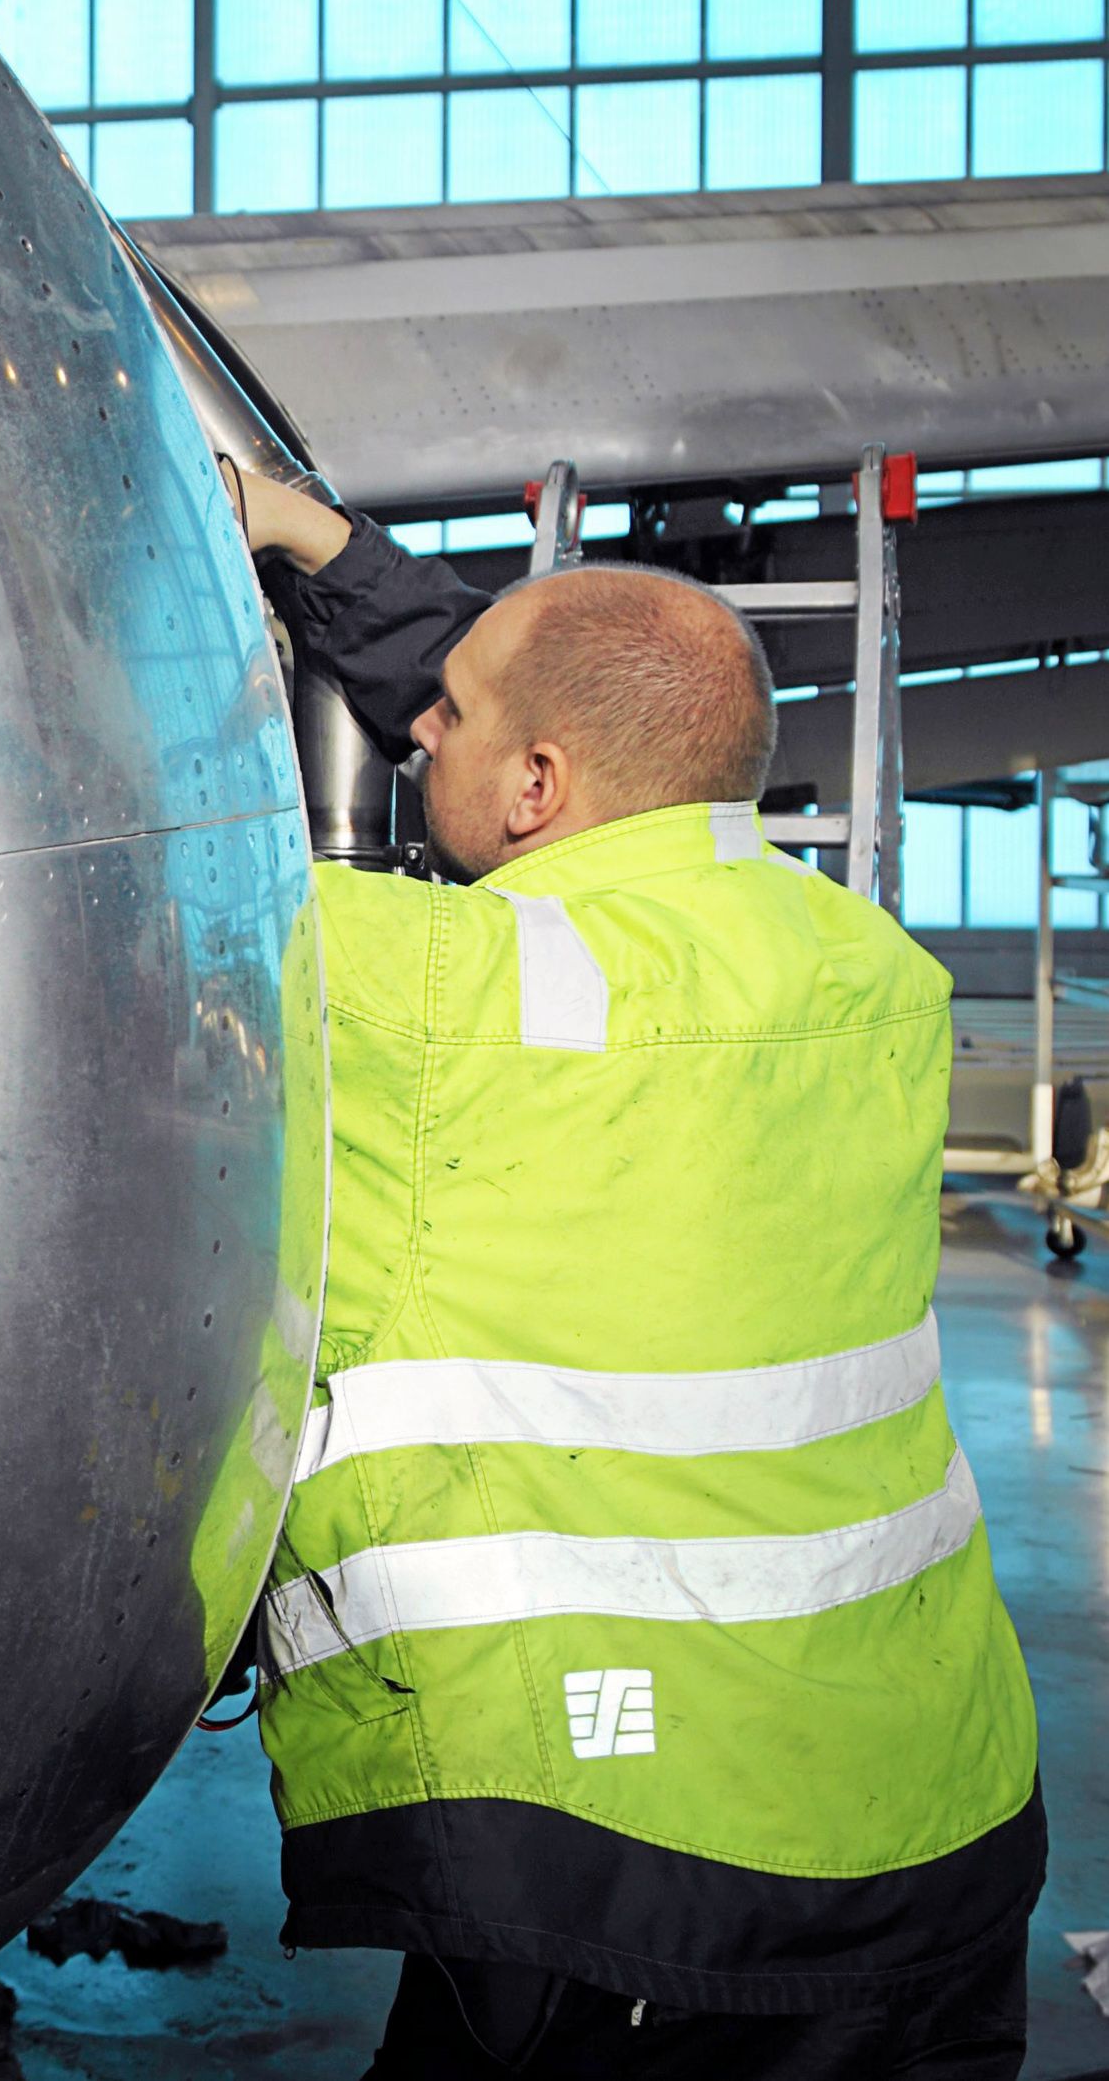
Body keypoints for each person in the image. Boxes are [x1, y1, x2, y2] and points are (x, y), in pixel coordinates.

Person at [232, 471, 1043, 2081]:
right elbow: (585, 703)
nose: (414, 736)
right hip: (934, 1814)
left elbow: (68, 877)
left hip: (621, 1862)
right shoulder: (871, 969)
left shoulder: (414, 988)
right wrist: (321, 550)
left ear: (534, 782)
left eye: (440, 717)